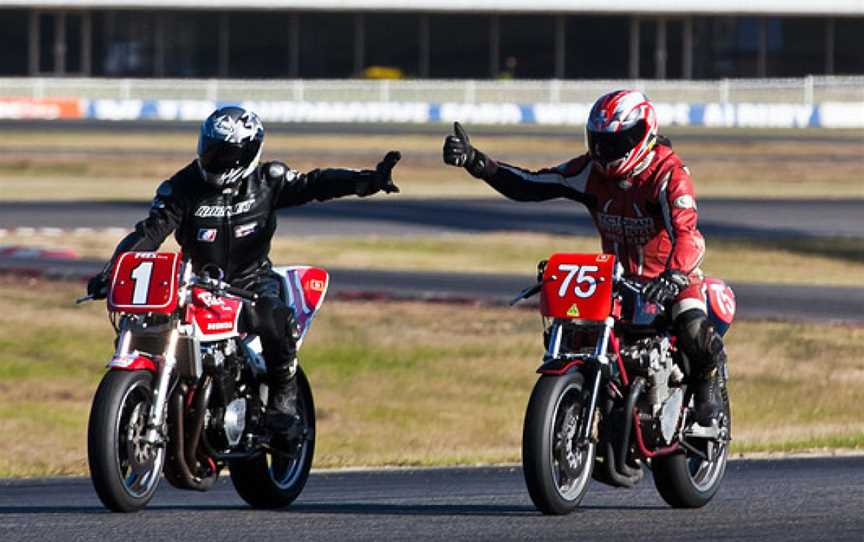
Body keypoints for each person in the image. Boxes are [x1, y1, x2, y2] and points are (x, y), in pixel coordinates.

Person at [87, 105, 401, 437]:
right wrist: (114, 271)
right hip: (197, 284)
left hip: (252, 283)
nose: (213, 158)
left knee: (273, 317)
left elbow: (316, 183)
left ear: (248, 153)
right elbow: (149, 232)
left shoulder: (269, 180)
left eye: (224, 153)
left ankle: (283, 397)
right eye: (210, 148)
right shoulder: (182, 187)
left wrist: (368, 181)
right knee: (155, 327)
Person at [442, 89, 726, 425]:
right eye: (600, 141)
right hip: (618, 281)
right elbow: (531, 184)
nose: (606, 151)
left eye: (617, 142)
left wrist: (674, 275)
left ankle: (708, 384)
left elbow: (688, 234)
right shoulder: (589, 171)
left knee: (693, 328)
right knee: (576, 332)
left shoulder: (668, 174)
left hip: (673, 279)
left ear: (644, 134)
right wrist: (477, 163)